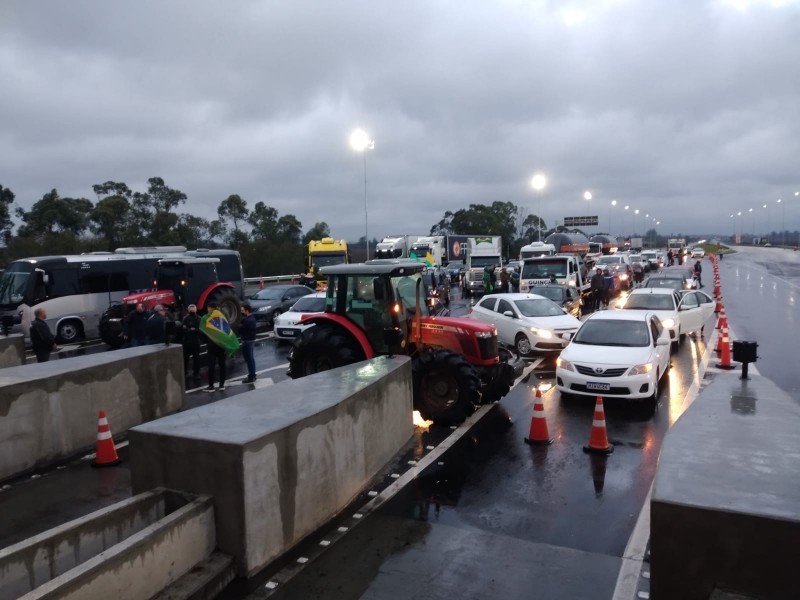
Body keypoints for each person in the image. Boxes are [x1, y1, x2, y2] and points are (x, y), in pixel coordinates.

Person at [181, 304, 202, 381]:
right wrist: (191, 329)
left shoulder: (199, 318)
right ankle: (185, 372)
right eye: (191, 310)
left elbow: (198, 329)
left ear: (196, 310)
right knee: (185, 358)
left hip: (195, 341)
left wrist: (188, 329)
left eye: (193, 310)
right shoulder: (185, 318)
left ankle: (196, 373)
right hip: (187, 342)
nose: (192, 311)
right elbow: (183, 328)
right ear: (188, 310)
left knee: (196, 358)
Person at [240, 303, 257, 383]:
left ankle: (251, 376)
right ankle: (252, 375)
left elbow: (241, 329)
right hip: (250, 340)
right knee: (251, 359)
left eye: (243, 310)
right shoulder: (251, 318)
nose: (241, 312)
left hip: (247, 341)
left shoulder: (248, 320)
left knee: (249, 359)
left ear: (247, 311)